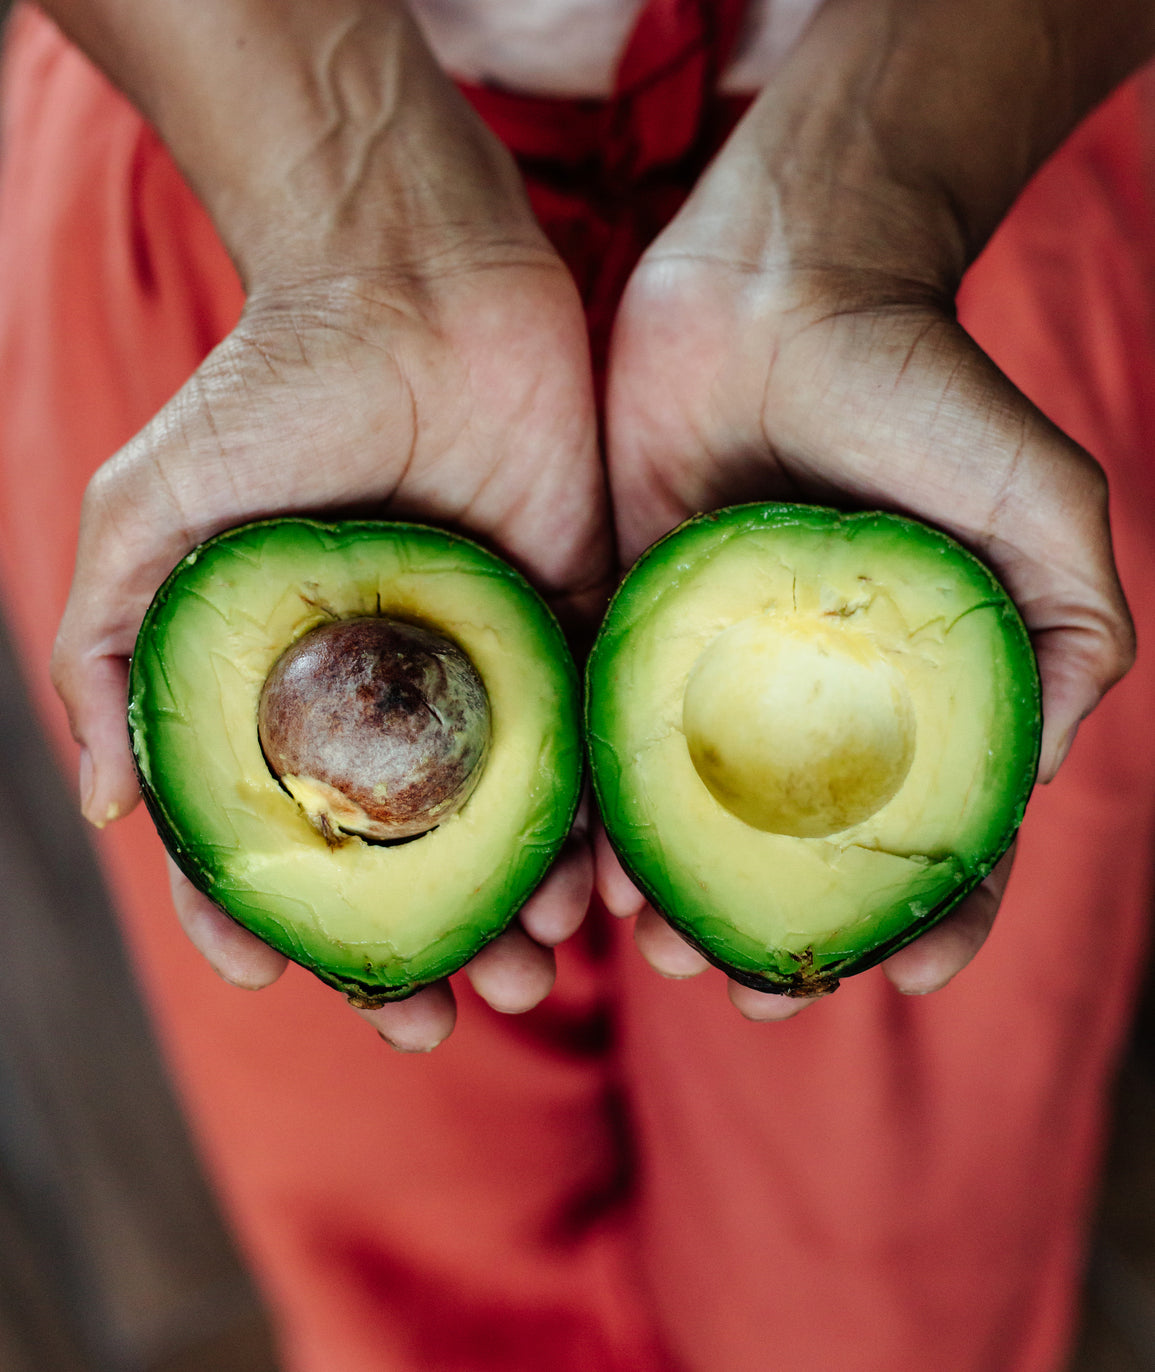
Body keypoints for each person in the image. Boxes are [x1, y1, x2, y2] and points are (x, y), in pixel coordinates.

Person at [1, 0, 1154, 1367]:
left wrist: (876, 182)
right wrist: (350, 207)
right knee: (408, 1234)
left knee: (881, 1276)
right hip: (247, 179)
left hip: (974, 185)